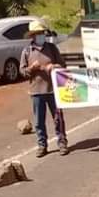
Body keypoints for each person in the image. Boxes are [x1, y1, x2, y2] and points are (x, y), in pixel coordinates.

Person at [20, 20, 68, 157]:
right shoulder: (27, 51)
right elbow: (22, 72)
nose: (41, 36)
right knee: (39, 121)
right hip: (36, 91)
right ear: (33, 36)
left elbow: (62, 65)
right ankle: (42, 145)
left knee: (58, 118)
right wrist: (31, 68)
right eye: (38, 34)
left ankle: (62, 143)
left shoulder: (52, 48)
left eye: (42, 33)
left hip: (53, 90)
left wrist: (54, 66)